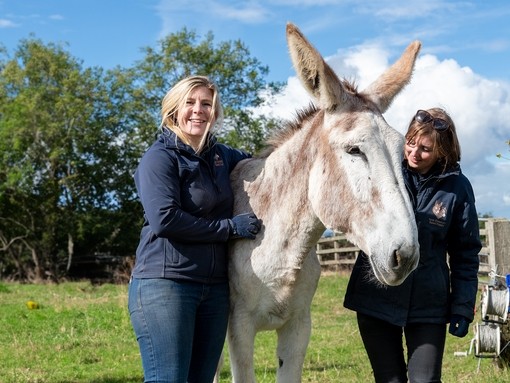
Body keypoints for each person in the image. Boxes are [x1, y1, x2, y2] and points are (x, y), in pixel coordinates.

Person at [128, 75, 262, 383]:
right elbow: (165, 220)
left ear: (214, 113)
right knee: (169, 379)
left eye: (206, 104)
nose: (198, 110)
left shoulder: (221, 156)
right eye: (190, 103)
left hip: (214, 289)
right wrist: (229, 228)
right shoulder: (159, 158)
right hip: (166, 284)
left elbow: (263, 165)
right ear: (175, 109)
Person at [344, 107, 482, 383]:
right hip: (376, 298)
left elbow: (465, 253)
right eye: (410, 143)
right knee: (389, 379)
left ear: (442, 151)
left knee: (425, 381)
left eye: (425, 149)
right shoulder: (383, 172)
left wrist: (462, 307)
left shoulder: (457, 188)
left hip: (428, 304)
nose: (414, 153)